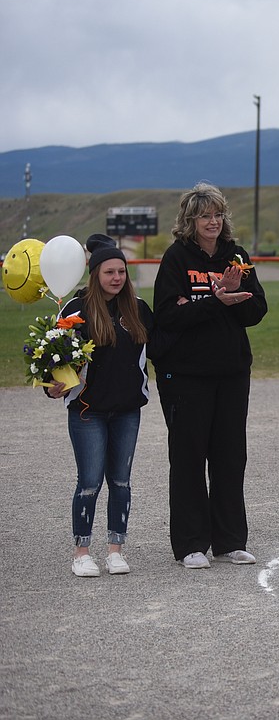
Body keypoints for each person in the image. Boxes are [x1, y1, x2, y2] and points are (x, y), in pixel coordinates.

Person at [153, 182, 268, 569]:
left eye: (218, 214)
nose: (213, 221)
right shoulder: (176, 258)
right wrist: (216, 301)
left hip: (231, 371)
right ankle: (190, 544)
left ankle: (230, 540)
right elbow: (168, 315)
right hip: (185, 374)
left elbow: (256, 311)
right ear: (190, 220)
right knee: (188, 457)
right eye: (205, 215)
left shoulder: (236, 255)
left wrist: (231, 299)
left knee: (230, 457)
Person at [50, 235, 153, 577]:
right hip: (87, 411)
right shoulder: (75, 311)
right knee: (90, 481)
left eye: (121, 271)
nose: (116, 278)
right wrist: (53, 384)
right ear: (95, 274)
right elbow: (54, 358)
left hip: (127, 411)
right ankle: (82, 552)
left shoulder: (138, 308)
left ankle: (115, 550)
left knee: (121, 481)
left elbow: (164, 347)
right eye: (109, 271)